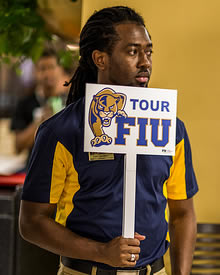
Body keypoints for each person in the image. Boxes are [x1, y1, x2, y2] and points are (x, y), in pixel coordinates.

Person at [19, 6, 198, 275]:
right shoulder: (61, 132)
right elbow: (31, 222)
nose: (145, 62)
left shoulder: (171, 129)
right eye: (132, 51)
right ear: (100, 59)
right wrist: (100, 251)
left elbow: (183, 213)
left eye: (148, 52)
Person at [11, 48, 68, 170]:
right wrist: (40, 122)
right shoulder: (25, 103)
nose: (48, 73)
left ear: (60, 69)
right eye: (43, 68)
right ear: (35, 72)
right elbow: (18, 146)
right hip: (34, 169)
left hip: (66, 169)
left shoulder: (71, 102)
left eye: (52, 67)